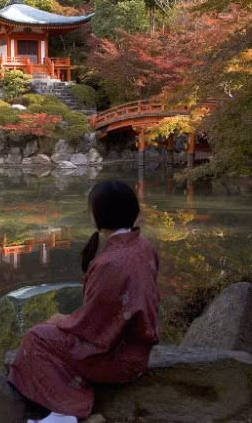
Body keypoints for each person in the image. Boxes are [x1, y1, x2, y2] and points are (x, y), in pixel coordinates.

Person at [8, 180, 160, 423]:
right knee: (50, 334)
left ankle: (67, 411)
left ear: (98, 215)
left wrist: (63, 321)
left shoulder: (111, 264)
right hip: (137, 352)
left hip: (118, 360)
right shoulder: (143, 246)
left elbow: (92, 330)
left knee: (36, 339)